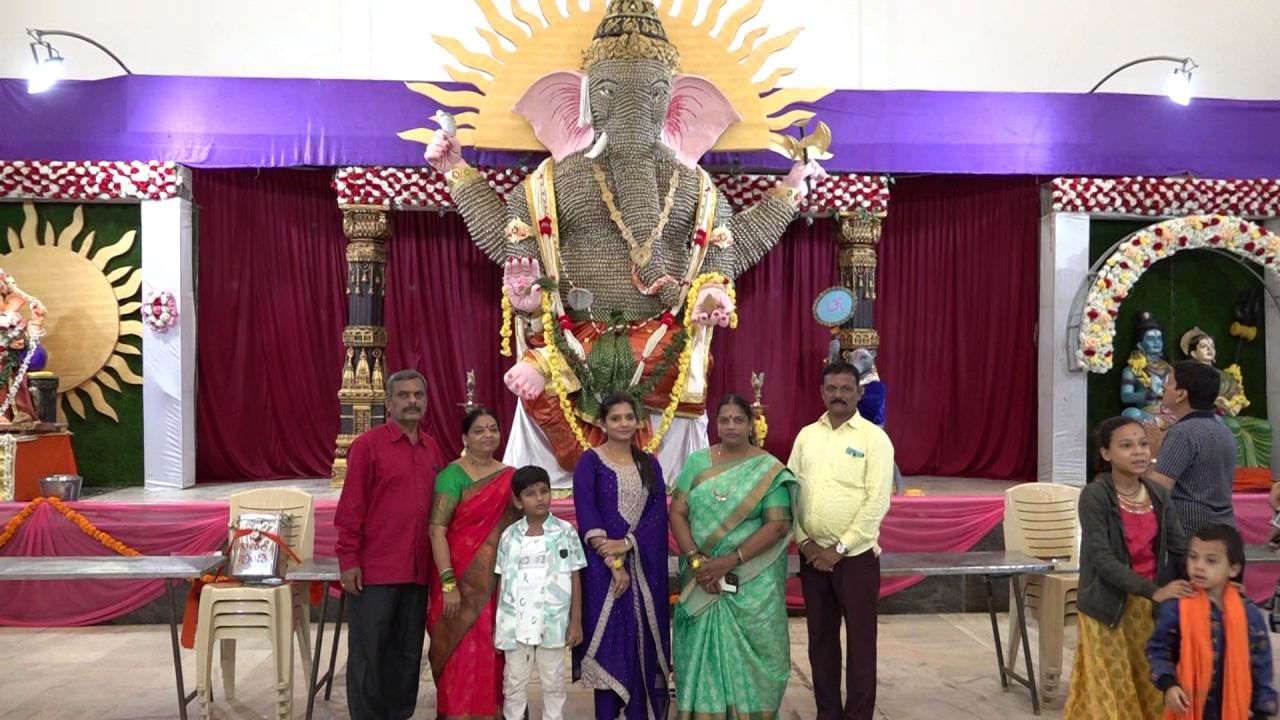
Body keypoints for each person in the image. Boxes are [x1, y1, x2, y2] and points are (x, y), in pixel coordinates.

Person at [670, 394, 796, 719]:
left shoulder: (767, 468)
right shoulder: (698, 462)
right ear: (715, 424)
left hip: (751, 580)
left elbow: (778, 525)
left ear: (751, 424)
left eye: (738, 420)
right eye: (724, 420)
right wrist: (696, 560)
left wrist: (728, 562)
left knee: (757, 655)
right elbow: (678, 513)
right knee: (701, 654)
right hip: (701, 578)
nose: (731, 426)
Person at [334, 369, 447, 720]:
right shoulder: (368, 447)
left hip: (417, 573)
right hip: (376, 573)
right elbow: (351, 509)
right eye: (403, 395)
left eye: (418, 395)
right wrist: (349, 561)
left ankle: (400, 715)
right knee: (370, 656)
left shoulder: (432, 448)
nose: (412, 401)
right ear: (388, 402)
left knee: (407, 655)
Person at [1064, 416, 1193, 719]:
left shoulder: (1158, 494)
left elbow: (1179, 547)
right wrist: (1155, 591)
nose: (1138, 452)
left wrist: (1210, 579)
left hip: (1148, 607)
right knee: (1113, 692)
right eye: (1126, 445)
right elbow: (1103, 560)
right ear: (1106, 453)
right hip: (1107, 605)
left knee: (1149, 687)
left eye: (1143, 444)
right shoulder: (1095, 496)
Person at [789, 360, 894, 720]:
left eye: (846, 389)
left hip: (855, 560)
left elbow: (876, 503)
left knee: (861, 645)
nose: (838, 395)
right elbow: (789, 493)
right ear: (822, 392)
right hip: (812, 557)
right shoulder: (806, 436)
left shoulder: (874, 439)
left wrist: (839, 549)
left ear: (859, 393)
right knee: (821, 643)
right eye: (831, 388)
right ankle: (828, 713)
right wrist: (805, 543)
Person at [572, 392, 671, 720]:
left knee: (641, 643)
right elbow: (587, 511)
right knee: (610, 643)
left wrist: (628, 543)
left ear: (638, 421)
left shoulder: (649, 464)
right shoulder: (590, 462)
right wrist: (614, 561)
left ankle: (639, 713)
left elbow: (657, 517)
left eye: (629, 417)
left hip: (644, 569)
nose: (624, 423)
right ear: (603, 423)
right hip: (602, 572)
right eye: (615, 418)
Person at [426, 407, 520, 719]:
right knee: (458, 651)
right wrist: (448, 583)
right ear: (465, 438)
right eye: (479, 430)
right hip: (455, 580)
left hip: (495, 584)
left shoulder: (510, 477)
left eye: (493, 429)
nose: (488, 435)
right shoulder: (452, 475)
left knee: (492, 649)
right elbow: (437, 531)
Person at [1146, 524, 1278, 719]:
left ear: (1233, 569)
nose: (1199, 566)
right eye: (1193, 557)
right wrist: (1169, 684)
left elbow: (1261, 664)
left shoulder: (1248, 614)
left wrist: (1262, 710)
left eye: (1211, 561)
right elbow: (1158, 649)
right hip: (1188, 705)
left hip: (1234, 707)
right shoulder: (1175, 608)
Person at [494, 465, 588, 720]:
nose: (539, 498)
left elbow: (575, 576)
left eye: (544, 491)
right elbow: (503, 581)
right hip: (516, 625)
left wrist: (575, 620)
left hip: (553, 622)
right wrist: (499, 624)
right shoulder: (509, 537)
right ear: (518, 501)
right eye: (530, 493)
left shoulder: (566, 533)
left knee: (554, 682)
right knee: (514, 684)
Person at [1145, 360, 1238, 535]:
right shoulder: (1224, 430)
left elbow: (1157, 491)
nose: (1164, 387)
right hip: (1224, 528)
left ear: (1181, 395)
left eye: (1169, 382)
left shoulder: (1183, 433)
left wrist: (1153, 453)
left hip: (1190, 532)